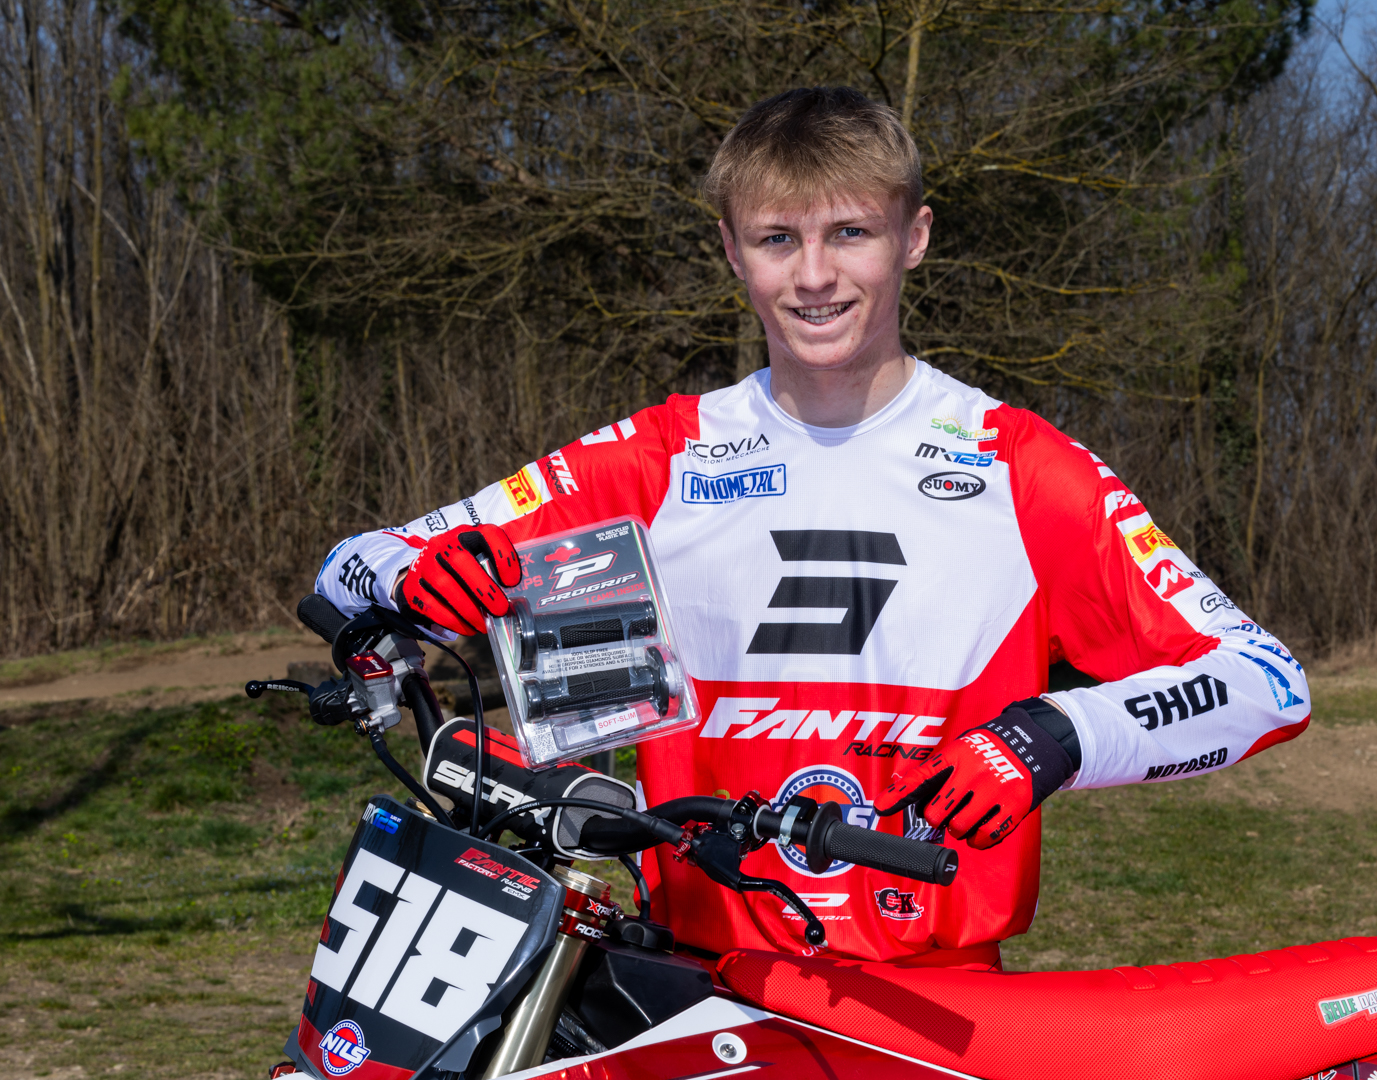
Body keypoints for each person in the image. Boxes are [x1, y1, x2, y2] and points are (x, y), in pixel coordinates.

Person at [315, 86, 1312, 968]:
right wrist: (410, 582)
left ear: (914, 237)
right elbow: (351, 565)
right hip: (692, 982)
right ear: (730, 249)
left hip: (934, 999)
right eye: (778, 240)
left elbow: (1265, 681)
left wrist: (1057, 734)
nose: (815, 277)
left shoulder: (1018, 465)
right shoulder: (660, 456)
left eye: (852, 233)